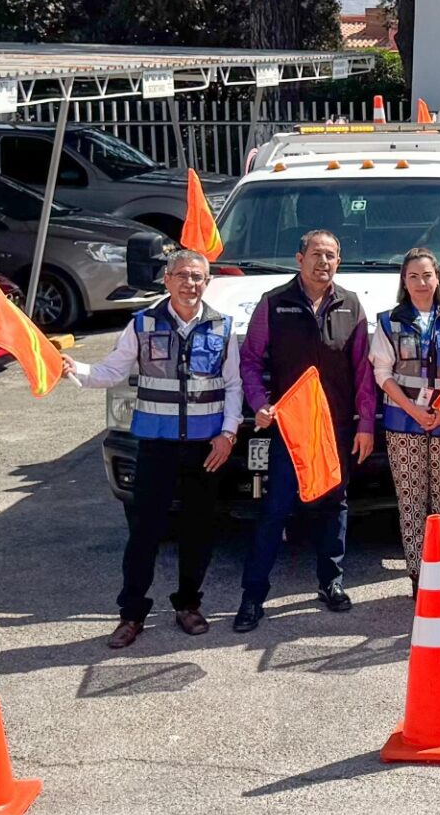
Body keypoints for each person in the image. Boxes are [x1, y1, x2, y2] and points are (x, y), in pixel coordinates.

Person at [65, 249, 240, 648]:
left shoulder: (222, 327)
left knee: (198, 532)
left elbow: (233, 385)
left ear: (207, 282)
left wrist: (228, 434)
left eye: (197, 277)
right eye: (182, 275)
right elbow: (111, 371)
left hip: (205, 449)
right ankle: (131, 615)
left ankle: (188, 606)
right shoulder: (142, 324)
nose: (189, 283)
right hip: (156, 446)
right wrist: (74, 369)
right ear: (167, 279)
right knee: (144, 533)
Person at [234, 229, 377, 632]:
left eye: (331, 255)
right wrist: (259, 401)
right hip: (290, 428)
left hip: (336, 428)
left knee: (335, 506)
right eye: (316, 254)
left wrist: (366, 424)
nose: (323, 262)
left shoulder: (351, 306)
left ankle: (331, 583)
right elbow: (249, 361)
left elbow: (363, 372)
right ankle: (252, 598)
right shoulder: (274, 304)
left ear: (339, 260)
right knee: (275, 510)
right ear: (299, 259)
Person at [370, 247, 440, 596]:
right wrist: (415, 411)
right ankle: (417, 573)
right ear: (404, 280)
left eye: (427, 275)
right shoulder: (388, 321)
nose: (421, 282)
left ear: (438, 277)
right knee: (412, 499)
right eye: (413, 276)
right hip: (404, 422)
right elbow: (382, 373)